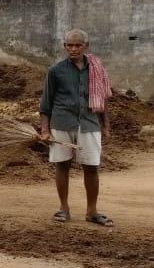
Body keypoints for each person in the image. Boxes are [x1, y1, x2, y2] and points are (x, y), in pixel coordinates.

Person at [38, 29, 114, 226]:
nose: (73, 49)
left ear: (86, 46)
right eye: (69, 45)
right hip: (61, 123)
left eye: (78, 45)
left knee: (92, 167)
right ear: (64, 47)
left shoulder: (97, 69)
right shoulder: (56, 71)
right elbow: (46, 103)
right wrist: (45, 130)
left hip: (89, 123)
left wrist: (105, 126)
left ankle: (92, 212)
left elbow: (103, 100)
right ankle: (64, 209)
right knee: (62, 165)